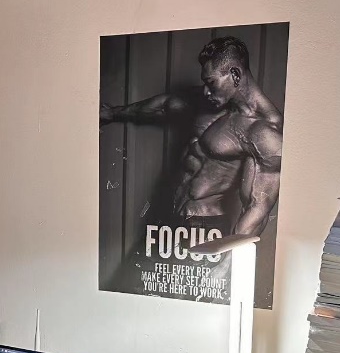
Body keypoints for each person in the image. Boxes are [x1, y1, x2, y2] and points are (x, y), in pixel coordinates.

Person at [100, 36, 282, 236]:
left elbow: (257, 207)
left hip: (206, 226)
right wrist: (112, 113)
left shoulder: (263, 131)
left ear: (235, 75)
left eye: (211, 82)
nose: (206, 91)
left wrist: (228, 253)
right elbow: (163, 106)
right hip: (170, 219)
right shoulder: (209, 102)